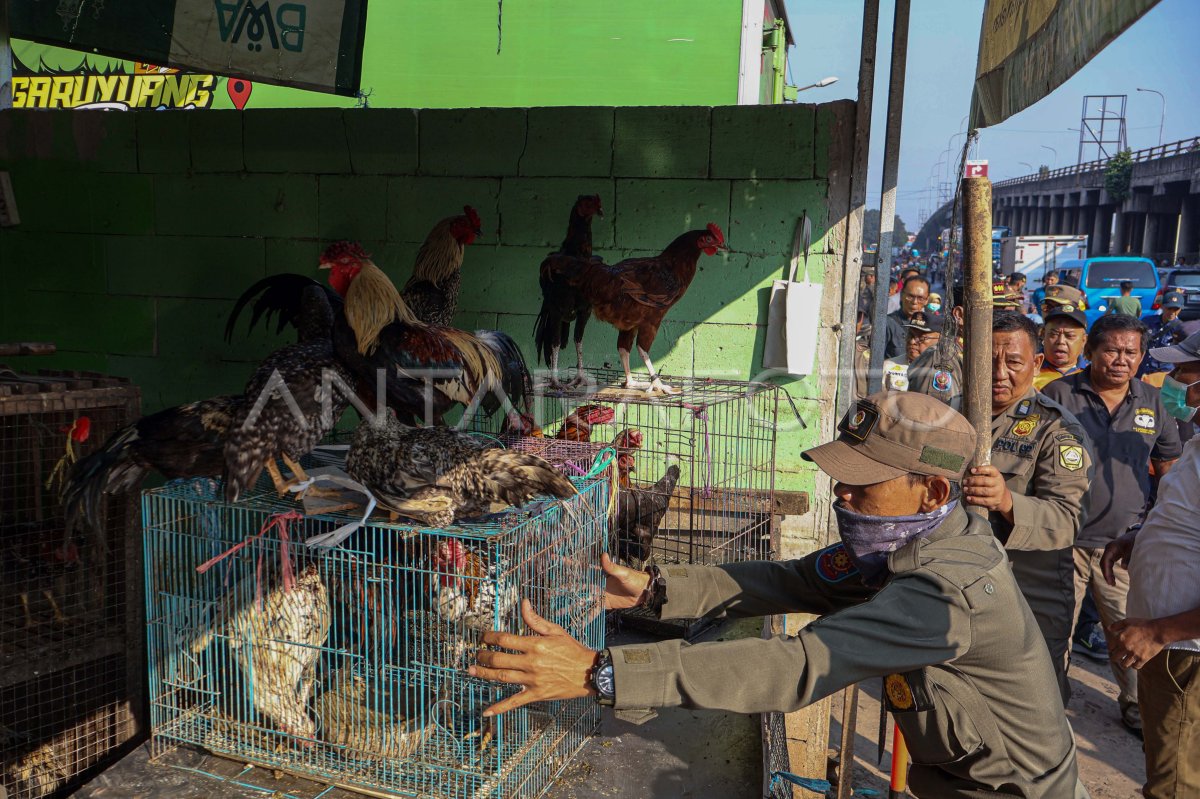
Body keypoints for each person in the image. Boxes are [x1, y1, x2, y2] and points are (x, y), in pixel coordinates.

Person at [471, 391, 1088, 798]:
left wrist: (603, 673)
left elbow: (799, 664)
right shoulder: (898, 544)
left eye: (861, 484)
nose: (841, 497)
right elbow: (793, 580)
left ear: (931, 491)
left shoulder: (945, 588)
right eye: (840, 480)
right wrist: (656, 591)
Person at [1042, 314, 1183, 736]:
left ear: (1141, 357)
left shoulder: (1151, 400)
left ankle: (1137, 708)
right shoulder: (1059, 393)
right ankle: (1046, 709)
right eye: (1112, 350)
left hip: (1121, 547)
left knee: (1128, 632)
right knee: (1054, 632)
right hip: (1060, 540)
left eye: (1131, 352)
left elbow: (1168, 464)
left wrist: (1154, 525)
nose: (1121, 360)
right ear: (1091, 353)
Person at [962, 312, 1093, 701]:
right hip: (961, 590)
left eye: (1014, 362)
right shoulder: (952, 417)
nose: (999, 373)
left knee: (1035, 708)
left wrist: (1007, 502)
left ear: (1036, 364)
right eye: (989, 361)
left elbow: (1068, 520)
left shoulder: (1057, 429)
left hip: (1029, 597)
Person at [1100, 332, 1200, 798]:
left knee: (1175, 785)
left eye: (1186, 373)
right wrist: (1143, 538)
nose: (1175, 382)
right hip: (1174, 649)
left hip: (1185, 652)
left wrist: (1159, 633)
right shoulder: (1197, 442)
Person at [1033, 304, 1088, 389]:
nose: (1060, 341)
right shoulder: (1028, 370)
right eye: (1054, 334)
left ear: (1084, 340)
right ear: (1043, 335)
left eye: (1069, 336)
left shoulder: (1092, 373)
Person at [1140, 290, 1186, 377]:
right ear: (1162, 307)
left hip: (1164, 373)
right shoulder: (1147, 321)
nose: (1172, 312)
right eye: (1169, 308)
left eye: (1176, 309)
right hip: (1143, 371)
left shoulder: (1182, 329)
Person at [883, 276, 930, 360]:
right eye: (910, 296)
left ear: (927, 300)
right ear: (901, 295)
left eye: (920, 298)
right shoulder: (887, 324)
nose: (914, 302)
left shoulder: (931, 327)